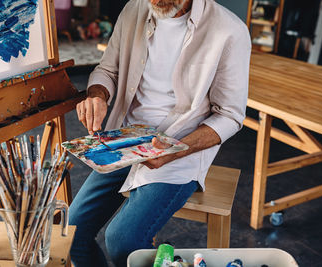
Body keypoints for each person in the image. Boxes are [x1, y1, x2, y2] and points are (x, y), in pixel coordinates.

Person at [69, 0, 251, 266]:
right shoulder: (135, 9)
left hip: (180, 150)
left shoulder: (229, 30)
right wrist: (97, 95)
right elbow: (107, 70)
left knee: (123, 241)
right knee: (71, 232)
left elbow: (230, 115)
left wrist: (176, 150)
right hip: (124, 141)